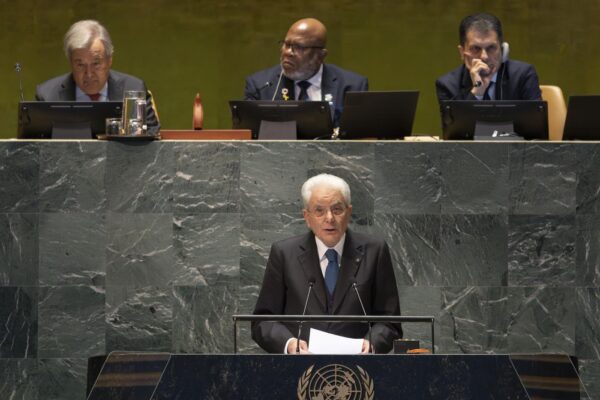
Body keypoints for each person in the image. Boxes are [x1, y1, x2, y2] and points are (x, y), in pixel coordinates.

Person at [252, 173, 402, 354]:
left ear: (349, 212)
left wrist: (372, 342)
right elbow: (264, 320)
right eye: (319, 211)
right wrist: (290, 343)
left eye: (337, 209)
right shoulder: (284, 253)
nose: (329, 218)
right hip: (298, 369)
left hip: (359, 369)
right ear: (307, 217)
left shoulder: (374, 251)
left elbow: (389, 320)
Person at [35, 20, 160, 134]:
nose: (89, 74)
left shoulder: (134, 88)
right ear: (70, 63)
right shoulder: (47, 96)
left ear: (109, 60)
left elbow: (153, 135)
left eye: (96, 63)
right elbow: (35, 147)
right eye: (80, 65)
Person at [244, 18, 368, 127]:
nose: (288, 52)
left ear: (321, 55)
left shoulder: (351, 87)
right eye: (286, 44)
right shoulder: (260, 86)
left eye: (299, 47)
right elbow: (247, 139)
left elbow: (362, 139)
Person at [436, 12, 542, 102]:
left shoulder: (523, 75)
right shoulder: (447, 85)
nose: (484, 57)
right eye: (476, 48)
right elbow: (457, 126)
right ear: (462, 52)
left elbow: (537, 124)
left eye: (491, 48)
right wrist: (478, 90)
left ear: (503, 50)